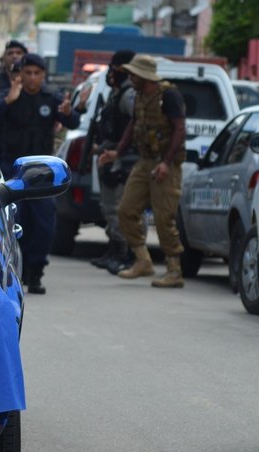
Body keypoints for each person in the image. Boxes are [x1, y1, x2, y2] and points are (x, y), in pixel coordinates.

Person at [0, 53, 81, 294]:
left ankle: (36, 273)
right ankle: (17, 271)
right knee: (16, 223)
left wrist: (68, 113)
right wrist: (8, 101)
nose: (32, 78)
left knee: (44, 226)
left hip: (42, 174)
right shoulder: (8, 96)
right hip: (12, 171)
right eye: (28, 73)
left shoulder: (52, 98)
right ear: (21, 74)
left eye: (37, 74)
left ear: (43, 75)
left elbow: (73, 122)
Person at [98, 54, 187, 288]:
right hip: (145, 161)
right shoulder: (138, 96)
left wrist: (167, 163)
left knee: (163, 217)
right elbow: (133, 125)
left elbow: (179, 129)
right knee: (126, 210)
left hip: (166, 164)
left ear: (144, 76)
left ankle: (174, 270)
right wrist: (117, 152)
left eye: (133, 74)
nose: (129, 78)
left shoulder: (169, 96)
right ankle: (143, 260)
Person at [89, 49, 137, 275]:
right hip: (111, 157)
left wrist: (117, 149)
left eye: (116, 68)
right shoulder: (117, 93)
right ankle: (115, 250)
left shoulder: (128, 95)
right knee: (109, 208)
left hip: (123, 160)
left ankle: (127, 254)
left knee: (119, 208)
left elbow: (134, 125)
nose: (111, 72)